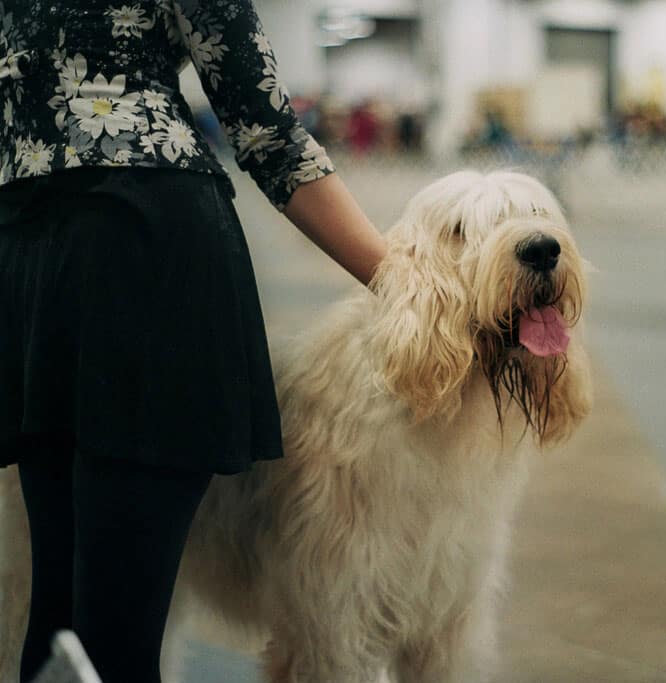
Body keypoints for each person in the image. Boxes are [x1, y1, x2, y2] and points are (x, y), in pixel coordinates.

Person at [0, 1, 387, 682]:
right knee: (71, 631)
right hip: (70, 264)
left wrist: (404, 282)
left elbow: (268, 136)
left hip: (127, 267)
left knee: (90, 633)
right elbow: (267, 134)